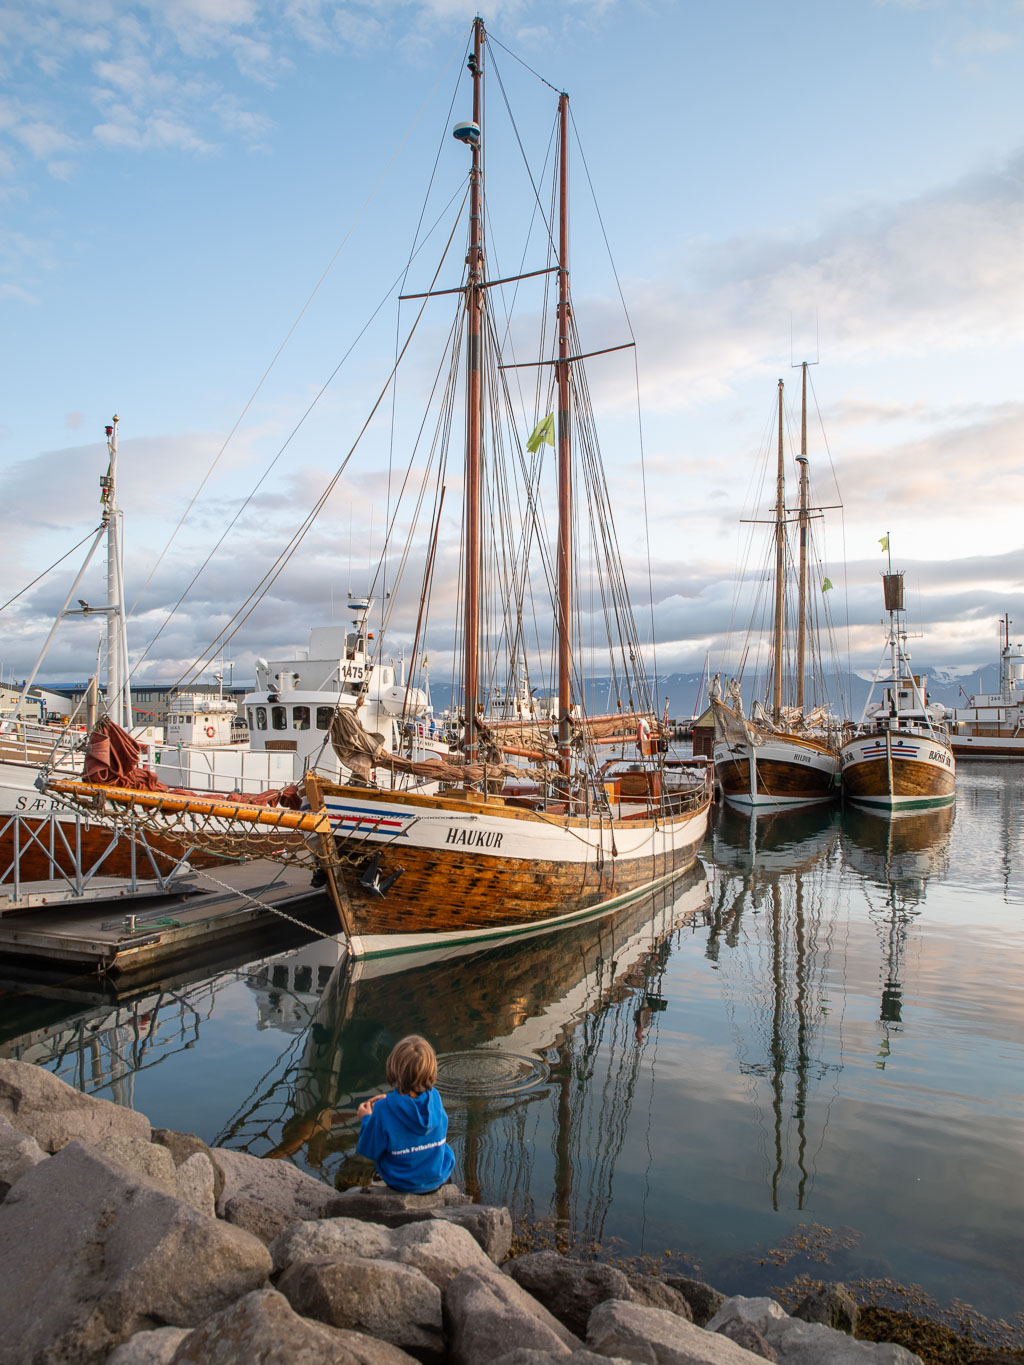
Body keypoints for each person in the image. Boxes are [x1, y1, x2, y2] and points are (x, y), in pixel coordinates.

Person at [356, 1034, 455, 1193]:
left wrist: (366, 1118)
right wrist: (390, 1102)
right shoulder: (435, 1098)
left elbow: (369, 1150)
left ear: (393, 1068)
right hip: (436, 1178)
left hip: (401, 1183)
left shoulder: (382, 1109)